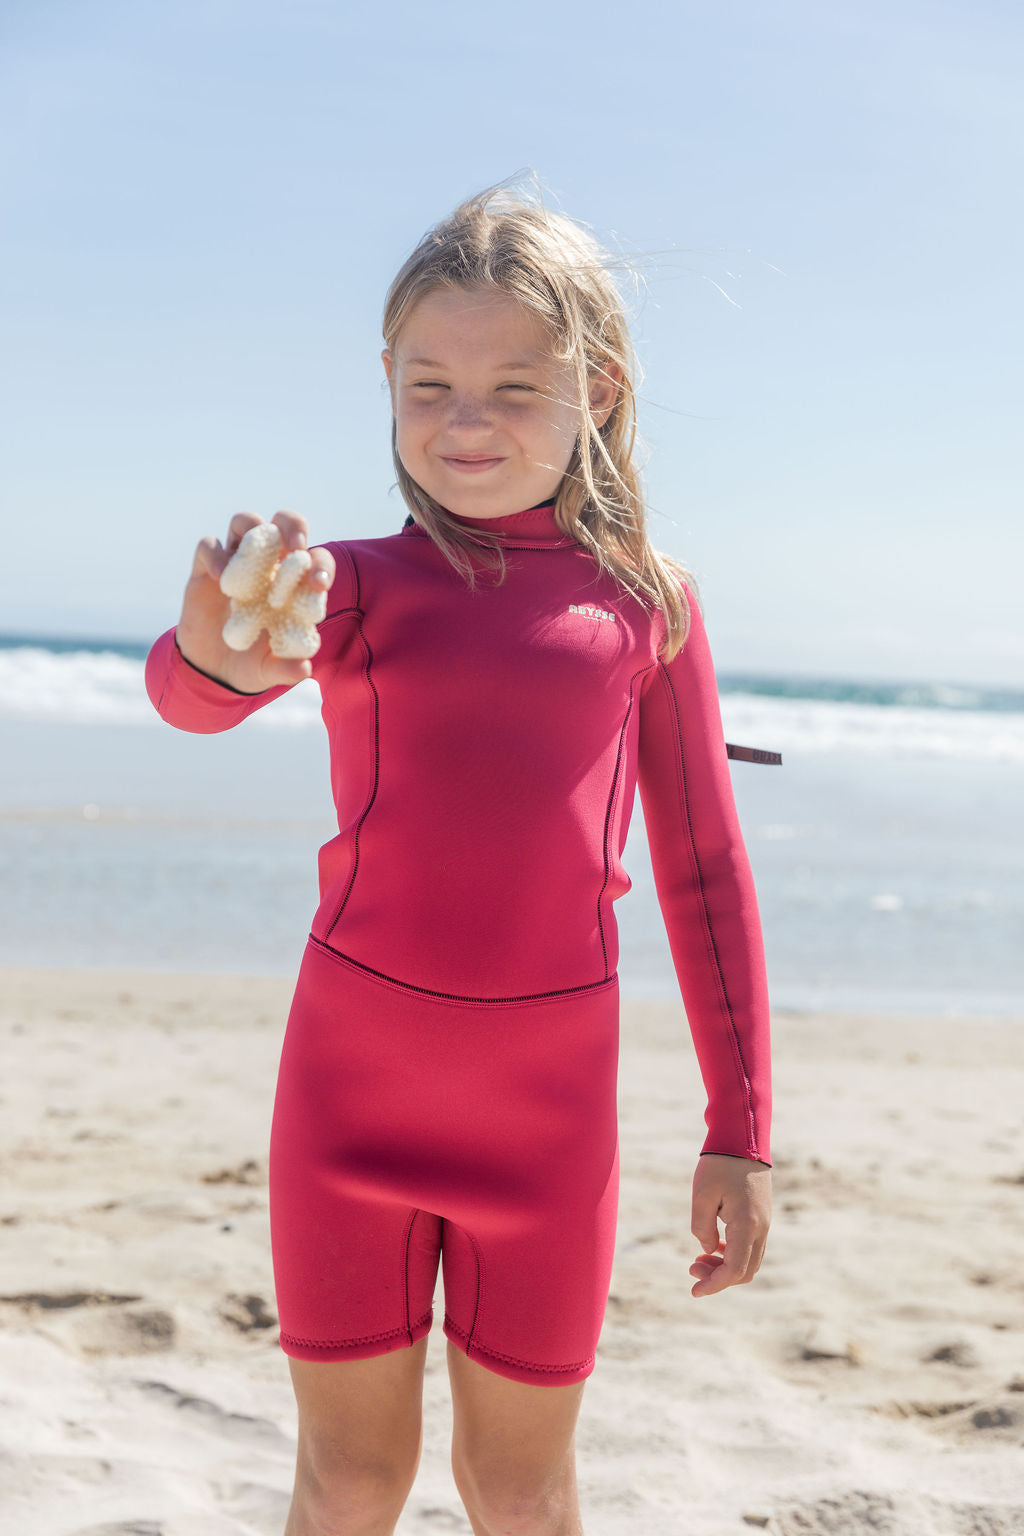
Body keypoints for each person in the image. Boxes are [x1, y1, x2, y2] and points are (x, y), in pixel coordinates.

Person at [145, 180, 775, 1536]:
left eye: (513, 387)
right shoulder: (348, 585)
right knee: (350, 1479)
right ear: (386, 379)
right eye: (430, 385)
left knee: (521, 1487)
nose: (465, 421)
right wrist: (212, 653)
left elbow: (706, 875)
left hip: (549, 1125)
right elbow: (200, 696)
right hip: (348, 1099)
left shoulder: (648, 605)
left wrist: (741, 1127)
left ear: (599, 390)